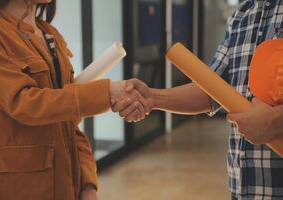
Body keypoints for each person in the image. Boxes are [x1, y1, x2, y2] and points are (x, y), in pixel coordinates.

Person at [114, 1, 283, 199]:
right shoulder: (244, 13)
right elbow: (212, 91)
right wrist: (153, 98)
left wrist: (277, 120)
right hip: (245, 190)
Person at [0, 0, 147, 200]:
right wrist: (106, 93)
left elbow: (71, 122)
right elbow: (24, 103)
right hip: (16, 187)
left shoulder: (49, 34)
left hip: (65, 185)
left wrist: (88, 184)